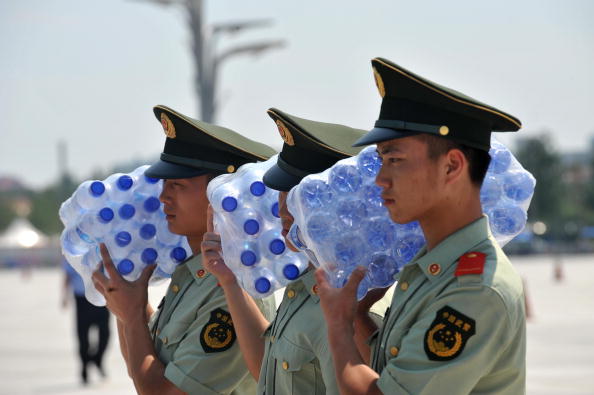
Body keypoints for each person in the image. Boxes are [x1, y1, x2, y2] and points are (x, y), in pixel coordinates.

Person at [315, 57, 527, 394]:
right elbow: (395, 373)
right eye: (381, 160)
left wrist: (339, 327)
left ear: (451, 166)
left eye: (395, 159)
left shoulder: (475, 289)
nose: (381, 179)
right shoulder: (432, 269)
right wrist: (355, 315)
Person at [201, 108, 393, 394]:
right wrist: (230, 281)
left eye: (297, 195)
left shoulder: (356, 295)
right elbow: (266, 373)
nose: (281, 209)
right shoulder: (310, 284)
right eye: (281, 193)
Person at [92, 105, 277, 395]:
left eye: (177, 185)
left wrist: (132, 316)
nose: (164, 196)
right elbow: (146, 366)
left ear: (219, 193)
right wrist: (129, 307)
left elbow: (162, 391)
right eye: (165, 183)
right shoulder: (195, 272)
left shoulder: (234, 286)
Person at [62, 259, 110, 384]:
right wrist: (64, 296)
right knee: (83, 337)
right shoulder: (73, 251)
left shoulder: (101, 246)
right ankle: (84, 368)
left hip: (101, 298)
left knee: (105, 335)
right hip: (81, 300)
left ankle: (97, 359)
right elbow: (67, 275)